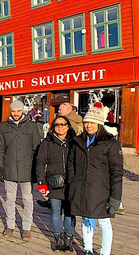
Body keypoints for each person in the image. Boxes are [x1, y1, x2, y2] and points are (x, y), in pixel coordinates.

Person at [67, 102, 123, 255]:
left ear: (99, 124)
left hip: (101, 190)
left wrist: (115, 198)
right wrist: (73, 181)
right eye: (86, 122)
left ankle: (105, 252)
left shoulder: (110, 144)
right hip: (82, 188)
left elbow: (117, 172)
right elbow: (71, 163)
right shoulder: (78, 142)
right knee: (85, 219)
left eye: (92, 122)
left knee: (104, 222)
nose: (88, 125)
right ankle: (88, 249)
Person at [0, 100, 40, 241]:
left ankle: (26, 228)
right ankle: (10, 226)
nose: (16, 113)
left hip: (27, 168)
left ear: (23, 111)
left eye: (18, 111)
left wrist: (36, 169)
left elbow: (36, 149)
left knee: (28, 199)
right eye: (13, 111)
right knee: (10, 199)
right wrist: (0, 166)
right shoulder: (4, 126)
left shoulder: (32, 126)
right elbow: (0, 148)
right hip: (9, 167)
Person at [36, 116, 76, 252]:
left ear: (68, 126)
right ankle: (58, 238)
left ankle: (69, 239)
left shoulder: (74, 142)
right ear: (53, 127)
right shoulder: (47, 143)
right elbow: (40, 162)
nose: (60, 127)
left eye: (63, 124)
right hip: (54, 182)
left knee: (70, 212)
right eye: (57, 125)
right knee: (55, 211)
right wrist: (41, 182)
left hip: (71, 182)